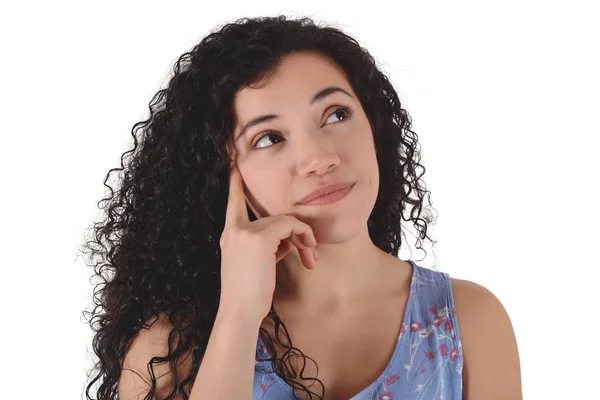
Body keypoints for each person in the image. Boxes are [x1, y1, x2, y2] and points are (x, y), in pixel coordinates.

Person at [81, 15, 522, 400]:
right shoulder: (166, 351)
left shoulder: (468, 321)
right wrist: (238, 313)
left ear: (374, 126)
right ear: (223, 174)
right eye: (269, 138)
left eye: (335, 114)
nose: (319, 158)